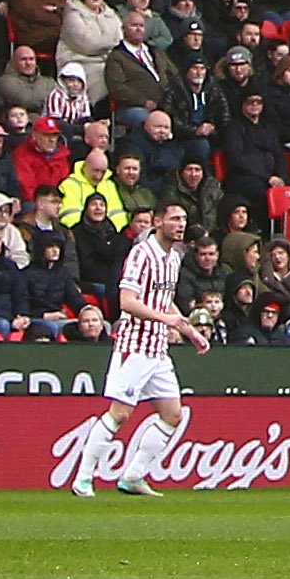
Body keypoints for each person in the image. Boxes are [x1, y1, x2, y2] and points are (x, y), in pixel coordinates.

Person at [77, 201, 200, 497]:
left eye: (183, 219)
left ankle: (133, 476)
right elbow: (128, 302)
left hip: (158, 348)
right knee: (119, 413)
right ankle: (82, 478)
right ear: (158, 222)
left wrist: (189, 330)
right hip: (135, 344)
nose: (180, 224)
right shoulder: (141, 254)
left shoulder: (174, 258)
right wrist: (165, 319)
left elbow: (163, 300)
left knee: (173, 414)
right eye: (174, 219)